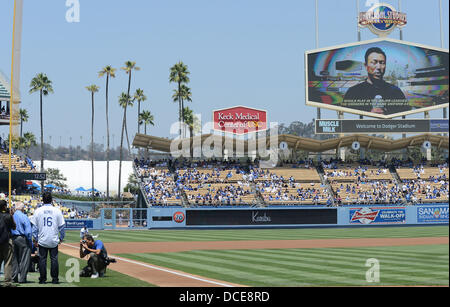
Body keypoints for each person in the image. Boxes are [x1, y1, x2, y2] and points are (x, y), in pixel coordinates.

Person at [343, 47, 408, 115]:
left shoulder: (395, 92)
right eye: (374, 62)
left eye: (382, 63)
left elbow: (404, 118)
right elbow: (347, 120)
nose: (379, 67)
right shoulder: (353, 92)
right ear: (366, 66)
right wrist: (368, 115)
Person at [31, 192, 65, 284]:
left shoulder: (38, 211)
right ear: (51, 200)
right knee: (54, 259)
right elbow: (62, 227)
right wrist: (61, 237)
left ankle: (42, 279)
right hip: (53, 239)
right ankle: (55, 279)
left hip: (42, 239)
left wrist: (35, 239)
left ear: (42, 200)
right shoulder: (57, 210)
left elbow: (34, 228)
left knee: (42, 260)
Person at [11, 202, 33, 284]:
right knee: (24, 259)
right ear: (23, 208)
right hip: (22, 238)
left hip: (13, 238)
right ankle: (22, 278)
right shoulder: (24, 216)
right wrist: (30, 241)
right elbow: (28, 231)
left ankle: (14, 277)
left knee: (14, 259)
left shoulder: (12, 216)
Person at [0, 200, 16, 287]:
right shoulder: (8, 216)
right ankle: (7, 282)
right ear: (5, 207)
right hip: (6, 240)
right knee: (8, 262)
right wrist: (11, 215)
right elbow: (14, 227)